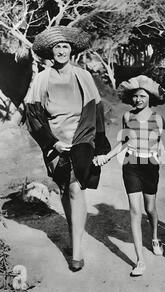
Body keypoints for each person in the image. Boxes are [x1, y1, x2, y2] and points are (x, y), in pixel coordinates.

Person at [25, 26, 111, 272]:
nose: (61, 51)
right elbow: (33, 117)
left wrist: (101, 145)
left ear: (72, 50)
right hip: (55, 143)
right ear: (50, 51)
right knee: (64, 188)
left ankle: (77, 252)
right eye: (57, 47)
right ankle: (74, 233)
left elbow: (97, 111)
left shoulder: (82, 75)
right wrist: (52, 143)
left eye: (65, 46)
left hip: (81, 140)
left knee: (76, 188)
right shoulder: (42, 78)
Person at [95, 75, 165, 276]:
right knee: (135, 212)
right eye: (135, 96)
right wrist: (108, 156)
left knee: (150, 208)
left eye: (142, 96)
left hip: (150, 165)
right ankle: (140, 261)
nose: (138, 99)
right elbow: (124, 141)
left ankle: (154, 237)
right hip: (131, 164)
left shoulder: (158, 119)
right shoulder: (127, 117)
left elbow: (163, 142)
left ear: (150, 98)